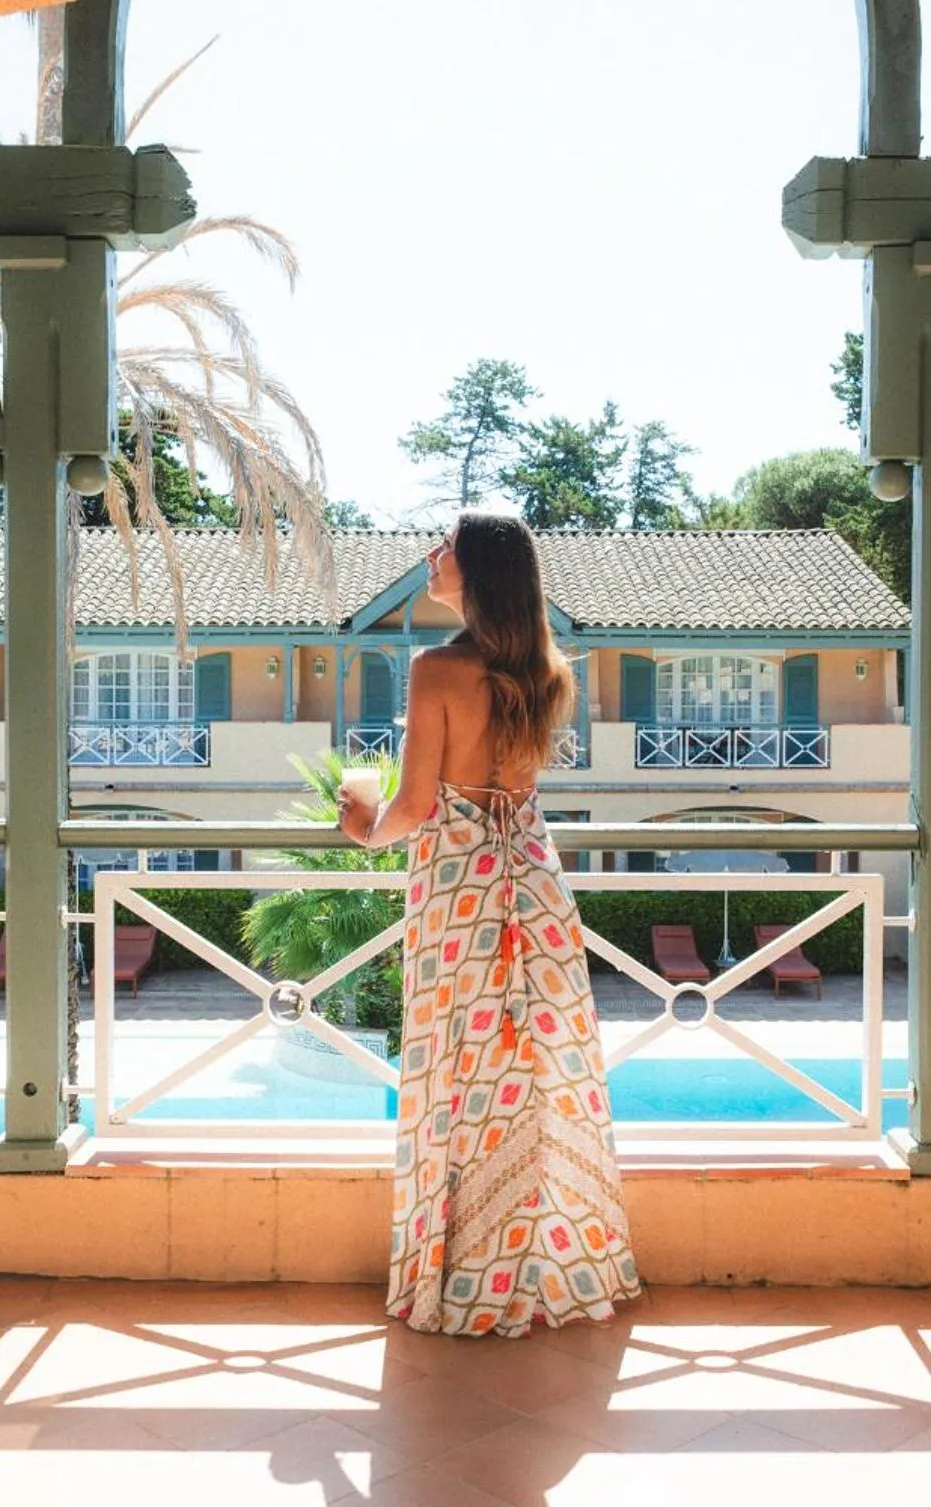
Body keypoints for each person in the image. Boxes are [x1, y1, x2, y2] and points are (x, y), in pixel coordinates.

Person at [337, 508, 641, 1337]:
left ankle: (461, 1274)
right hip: (532, 885)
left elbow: (414, 808)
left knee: (458, 1077)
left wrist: (358, 819)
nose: (430, 555)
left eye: (444, 545)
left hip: (462, 892)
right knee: (537, 1077)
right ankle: (542, 1266)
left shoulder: (436, 670)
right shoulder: (547, 670)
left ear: (474, 570)